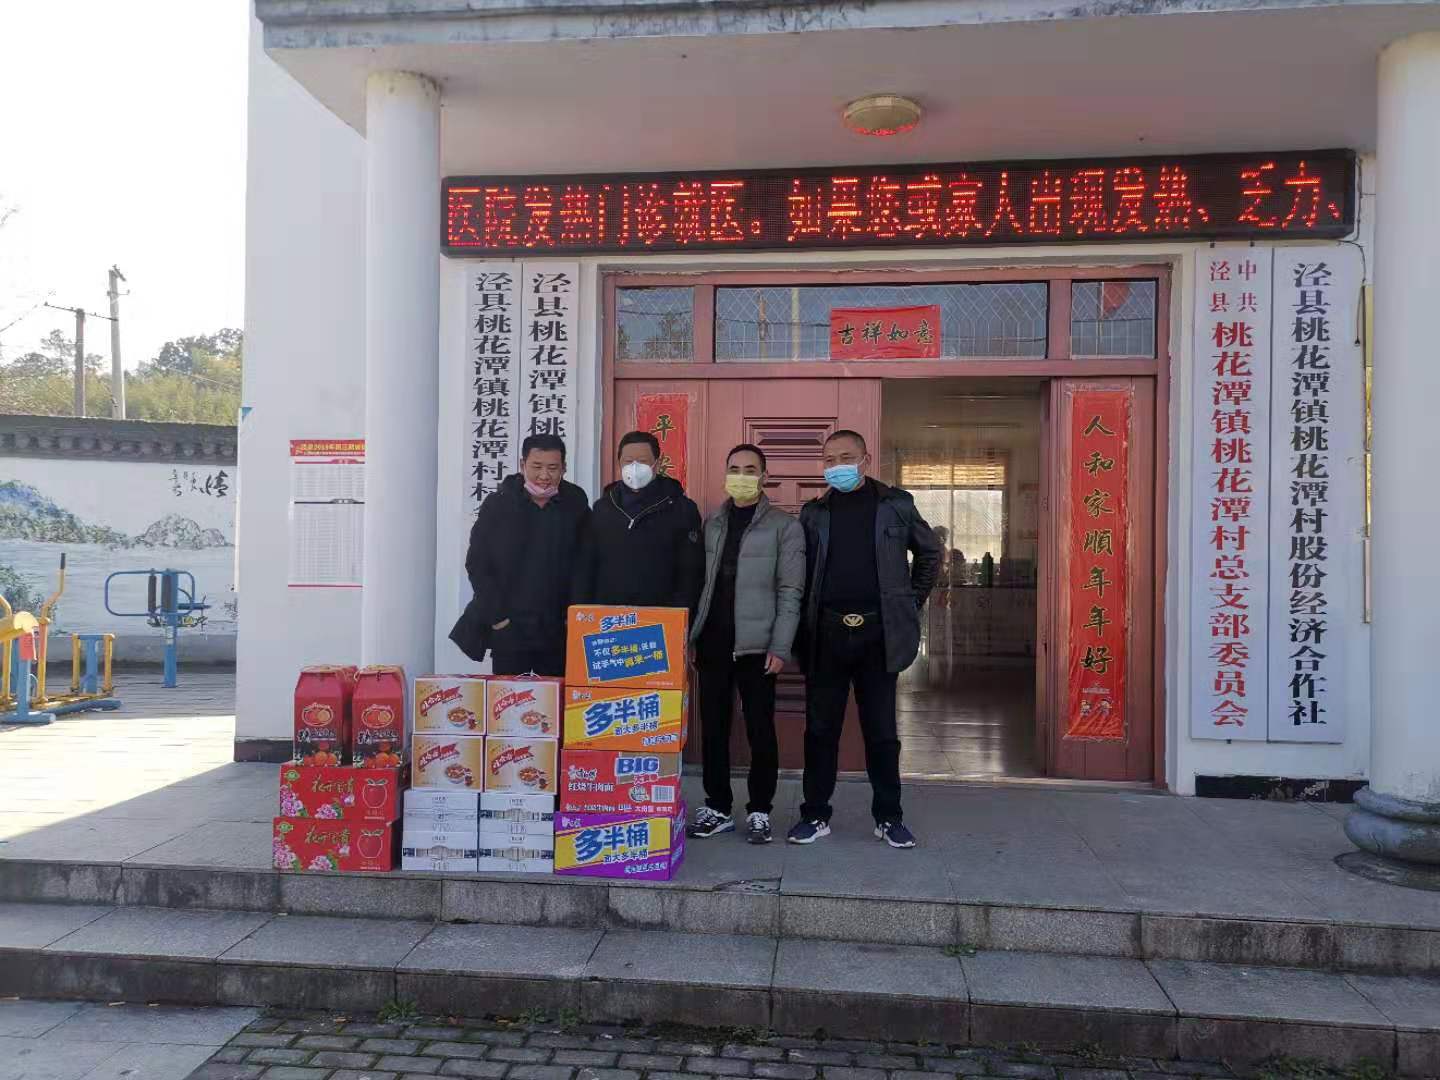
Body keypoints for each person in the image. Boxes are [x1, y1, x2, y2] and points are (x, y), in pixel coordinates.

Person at [789, 430, 942, 849]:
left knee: (881, 732)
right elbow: (799, 572)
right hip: (826, 634)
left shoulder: (896, 505)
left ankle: (889, 817)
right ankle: (815, 814)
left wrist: (909, 602)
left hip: (879, 634)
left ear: (865, 460)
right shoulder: (814, 513)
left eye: (846, 457)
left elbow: (930, 553)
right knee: (821, 730)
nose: (837, 466)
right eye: (829, 459)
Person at [687, 444, 806, 845]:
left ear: (764, 476)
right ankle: (718, 807)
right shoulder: (713, 523)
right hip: (713, 643)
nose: (742, 475)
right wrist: (692, 635)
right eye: (735, 468)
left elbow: (790, 590)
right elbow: (701, 584)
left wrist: (781, 646)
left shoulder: (784, 527)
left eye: (750, 469)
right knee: (713, 730)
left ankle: (760, 810)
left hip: (759, 648)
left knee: (760, 730)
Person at [450, 433, 590, 676]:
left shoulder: (575, 503)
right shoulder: (499, 504)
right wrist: (498, 618)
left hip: (557, 629)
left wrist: (574, 615)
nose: (544, 476)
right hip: (510, 628)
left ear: (564, 468)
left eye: (552, 468)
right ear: (522, 465)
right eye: (536, 466)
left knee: (556, 695)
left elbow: (585, 563)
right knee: (509, 696)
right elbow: (477, 563)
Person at [579, 430, 704, 613]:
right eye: (628, 461)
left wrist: (680, 615)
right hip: (610, 619)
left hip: (661, 618)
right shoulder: (603, 508)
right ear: (619, 464)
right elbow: (588, 567)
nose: (635, 467)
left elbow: (691, 572)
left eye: (643, 461)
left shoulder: (682, 509)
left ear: (657, 464)